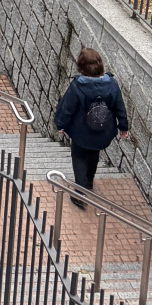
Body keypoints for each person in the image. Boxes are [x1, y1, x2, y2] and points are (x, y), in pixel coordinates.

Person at [53, 47, 130, 206]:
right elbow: (119, 107)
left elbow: (67, 108)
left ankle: (80, 194)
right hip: (102, 131)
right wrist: (123, 127)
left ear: (81, 67)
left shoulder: (78, 86)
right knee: (94, 154)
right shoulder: (112, 85)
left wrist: (61, 124)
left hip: (81, 132)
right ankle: (88, 183)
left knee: (79, 156)